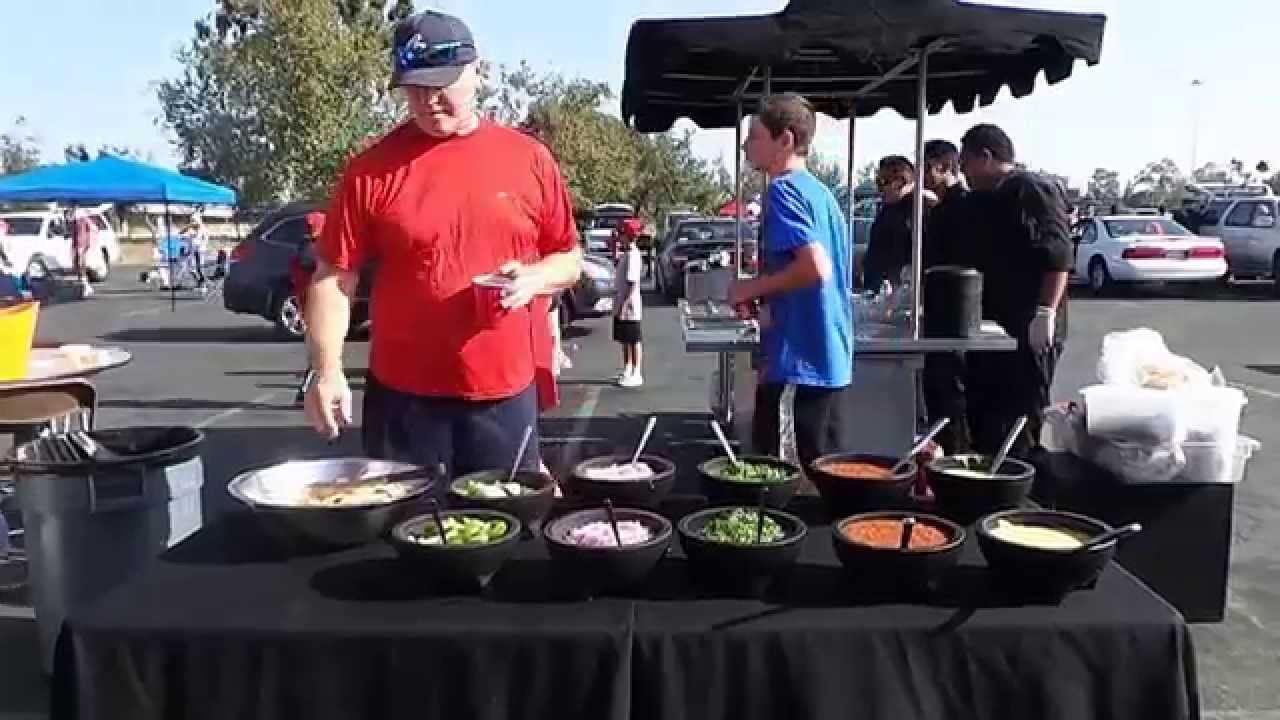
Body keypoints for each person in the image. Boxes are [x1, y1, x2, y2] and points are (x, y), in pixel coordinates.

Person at [304, 9, 583, 479]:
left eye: (442, 83)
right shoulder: (370, 170)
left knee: (503, 530)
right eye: (414, 87)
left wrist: (535, 277)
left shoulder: (529, 158)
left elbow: (570, 260)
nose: (428, 100)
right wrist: (326, 369)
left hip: (503, 394)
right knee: (408, 532)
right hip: (403, 399)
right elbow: (334, 277)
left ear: (478, 72)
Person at [732, 93, 853, 469]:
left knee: (807, 466)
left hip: (807, 354)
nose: (745, 145)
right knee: (828, 463)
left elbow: (815, 268)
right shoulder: (821, 193)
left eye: (754, 136)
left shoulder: (784, 191)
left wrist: (749, 288)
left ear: (785, 140)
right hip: (820, 347)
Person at [960, 123, 1072, 458]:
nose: (963, 173)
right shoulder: (987, 199)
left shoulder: (1031, 189)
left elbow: (1059, 255)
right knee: (986, 416)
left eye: (965, 163)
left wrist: (1045, 311)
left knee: (1018, 418)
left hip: (1030, 326)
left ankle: (1018, 487)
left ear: (986, 157)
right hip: (998, 328)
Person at [920, 139, 973, 454]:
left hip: (954, 312)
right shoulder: (940, 208)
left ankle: (956, 458)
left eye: (927, 167)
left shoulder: (960, 208)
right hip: (939, 308)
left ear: (941, 167)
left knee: (949, 393)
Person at [862, 156, 935, 291]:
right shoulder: (888, 210)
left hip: (904, 294)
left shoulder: (921, 209)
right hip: (885, 291)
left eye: (882, 182)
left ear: (900, 181)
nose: (879, 189)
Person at [613, 226, 644, 387]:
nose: (619, 238)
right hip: (621, 301)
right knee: (624, 339)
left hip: (629, 304)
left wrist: (625, 304)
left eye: (621, 235)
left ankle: (637, 371)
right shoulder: (626, 254)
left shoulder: (633, 255)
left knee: (633, 339)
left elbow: (632, 282)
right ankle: (627, 367)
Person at [63, 207, 95, 297]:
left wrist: (89, 243)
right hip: (76, 244)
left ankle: (85, 286)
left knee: (81, 264)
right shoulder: (73, 220)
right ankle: (84, 285)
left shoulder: (83, 219)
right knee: (76, 265)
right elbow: (71, 231)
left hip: (82, 244)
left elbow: (92, 230)